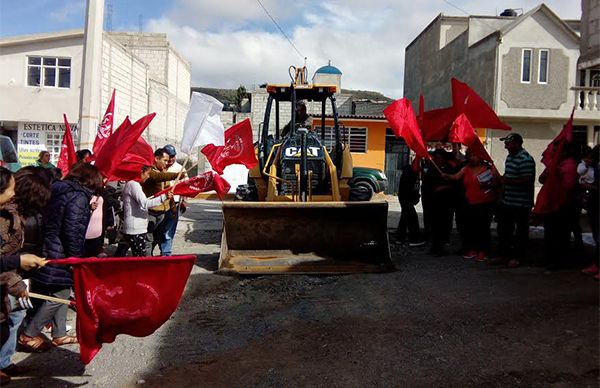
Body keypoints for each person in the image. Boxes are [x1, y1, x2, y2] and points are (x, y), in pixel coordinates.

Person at [19, 163, 103, 352]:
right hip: (61, 250)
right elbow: (73, 230)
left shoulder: (58, 188)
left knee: (60, 291)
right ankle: (29, 334)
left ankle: (59, 334)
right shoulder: (79, 195)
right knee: (60, 295)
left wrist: (88, 211)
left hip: (47, 246)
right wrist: (76, 259)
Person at [0, 167, 52, 377]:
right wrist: (18, 272)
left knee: (12, 316)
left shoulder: (12, 215)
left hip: (9, 278)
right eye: (10, 189)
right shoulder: (6, 220)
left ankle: (4, 362)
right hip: (9, 277)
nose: (13, 193)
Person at [443, 148, 499, 262]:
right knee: (471, 227)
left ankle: (483, 251)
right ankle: (473, 249)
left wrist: (490, 185)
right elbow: (456, 177)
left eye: (473, 155)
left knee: (483, 228)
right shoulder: (466, 168)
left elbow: (499, 181)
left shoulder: (489, 167)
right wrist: (447, 176)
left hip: (486, 203)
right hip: (470, 203)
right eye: (468, 155)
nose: (470, 158)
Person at [495, 133, 535, 268]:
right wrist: (502, 180)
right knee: (504, 229)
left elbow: (527, 180)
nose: (505, 146)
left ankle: (518, 257)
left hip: (521, 203)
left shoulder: (525, 159)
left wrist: (508, 181)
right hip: (508, 201)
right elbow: (508, 174)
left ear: (518, 144)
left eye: (508, 143)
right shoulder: (509, 157)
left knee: (520, 232)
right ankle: (504, 255)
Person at [539, 142, 579, 270]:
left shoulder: (569, 165)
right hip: (551, 203)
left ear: (564, 152)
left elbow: (568, 186)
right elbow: (542, 178)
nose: (553, 153)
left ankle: (559, 261)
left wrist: (556, 176)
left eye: (556, 150)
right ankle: (549, 258)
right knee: (550, 233)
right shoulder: (553, 162)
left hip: (563, 205)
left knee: (561, 234)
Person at [123, 166, 173, 256]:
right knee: (140, 257)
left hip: (137, 227)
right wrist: (164, 197)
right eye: (148, 173)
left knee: (134, 254)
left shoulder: (134, 184)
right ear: (141, 172)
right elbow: (145, 203)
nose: (148, 176)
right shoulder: (133, 184)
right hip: (135, 228)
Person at [142, 148, 183, 256]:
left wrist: (173, 208)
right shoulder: (148, 171)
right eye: (164, 160)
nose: (167, 163)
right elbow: (157, 177)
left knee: (157, 238)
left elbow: (169, 192)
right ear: (156, 158)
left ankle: (149, 255)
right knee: (148, 238)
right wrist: (177, 175)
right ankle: (146, 262)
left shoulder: (164, 172)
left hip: (162, 212)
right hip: (150, 211)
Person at [157, 144, 187, 256]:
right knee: (158, 229)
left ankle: (166, 253)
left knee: (169, 229)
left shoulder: (180, 168)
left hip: (174, 204)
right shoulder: (157, 168)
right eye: (170, 156)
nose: (172, 158)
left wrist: (184, 200)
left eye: (174, 156)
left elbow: (186, 186)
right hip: (158, 204)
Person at [580, 146, 599, 279]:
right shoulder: (593, 169)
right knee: (597, 237)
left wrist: (589, 187)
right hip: (594, 205)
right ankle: (597, 264)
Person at [396, 162, 425, 246]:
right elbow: (412, 189)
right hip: (406, 198)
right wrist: (415, 197)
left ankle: (400, 237)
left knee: (405, 217)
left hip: (405, 198)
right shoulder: (411, 174)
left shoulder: (412, 173)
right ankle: (414, 239)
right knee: (412, 218)